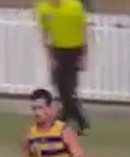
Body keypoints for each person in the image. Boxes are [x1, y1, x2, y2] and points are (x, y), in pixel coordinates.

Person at [35, 0, 89, 134]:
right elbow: (45, 33)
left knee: (69, 89)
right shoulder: (43, 8)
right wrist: (50, 57)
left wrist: (84, 54)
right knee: (59, 87)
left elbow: (83, 29)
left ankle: (80, 122)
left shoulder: (74, 6)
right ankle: (67, 119)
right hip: (57, 50)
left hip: (74, 49)